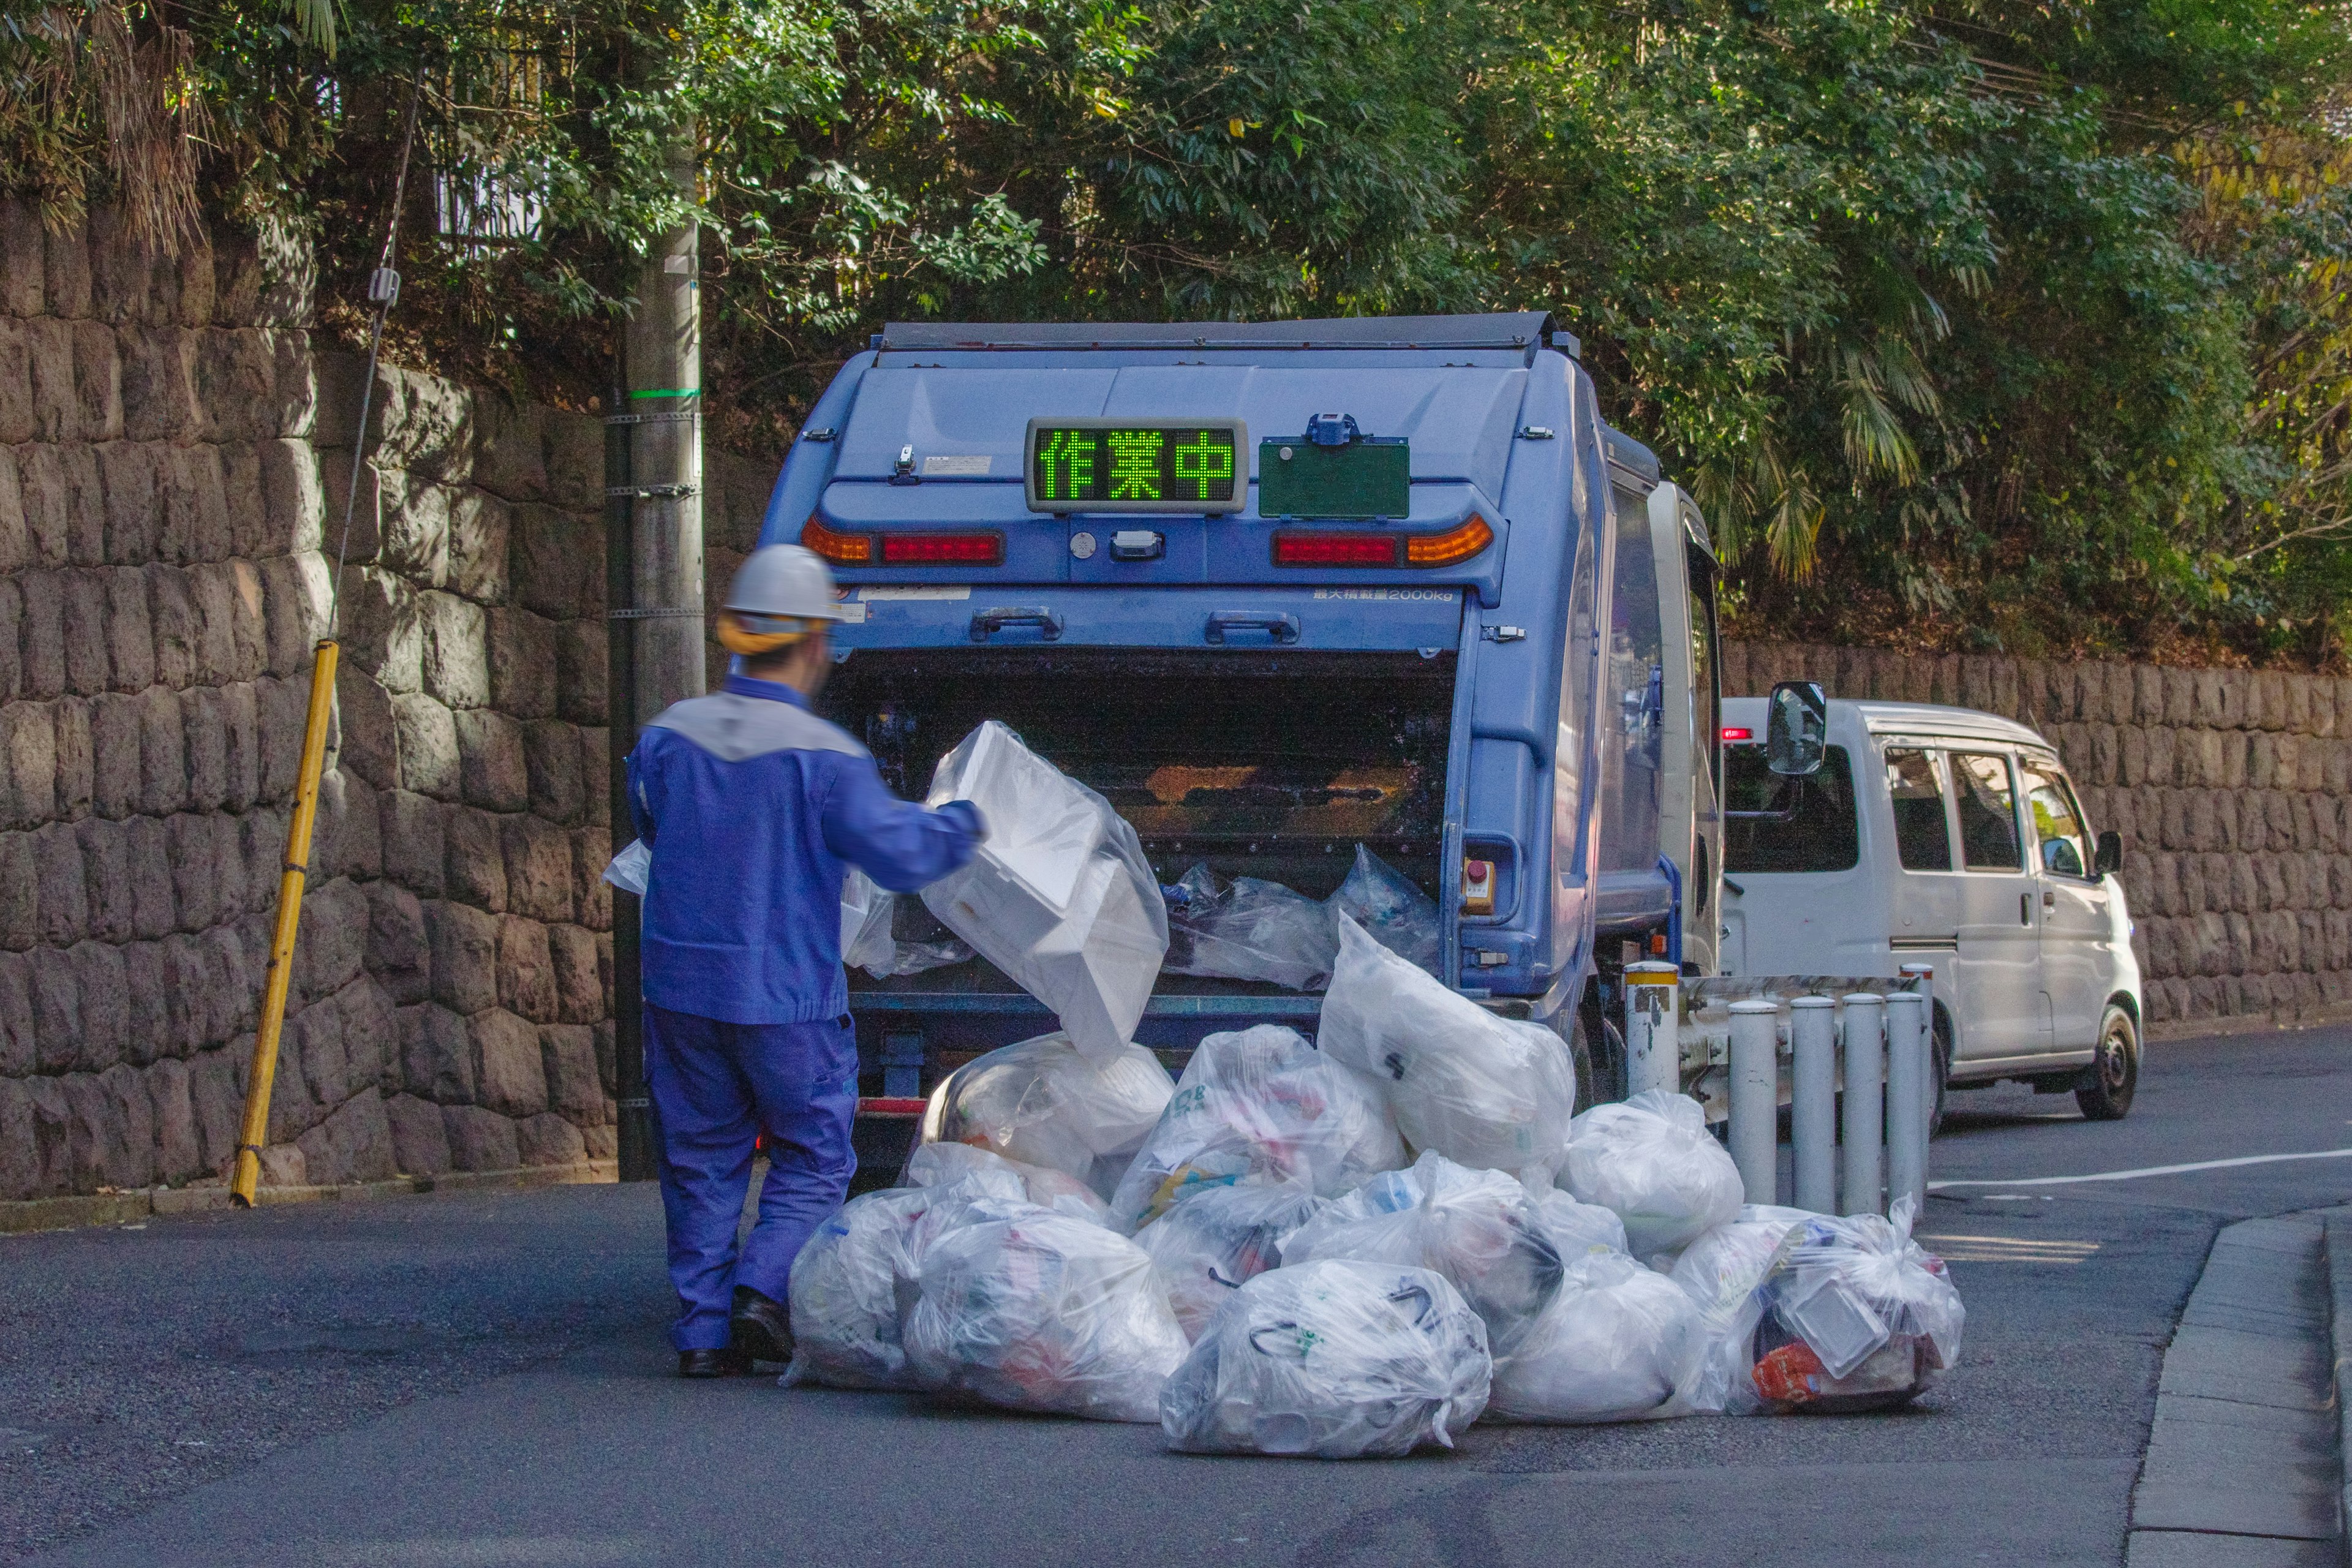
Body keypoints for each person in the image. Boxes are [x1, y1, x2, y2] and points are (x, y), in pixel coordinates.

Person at [625, 544, 982, 1378]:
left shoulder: (666, 738)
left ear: (738, 637)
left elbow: (651, 832)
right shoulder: (826, 759)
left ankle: (703, 1335)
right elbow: (898, 859)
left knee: (700, 1156)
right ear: (816, 646)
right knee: (814, 1152)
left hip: (679, 989)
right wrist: (965, 823)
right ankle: (764, 1289)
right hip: (784, 997)